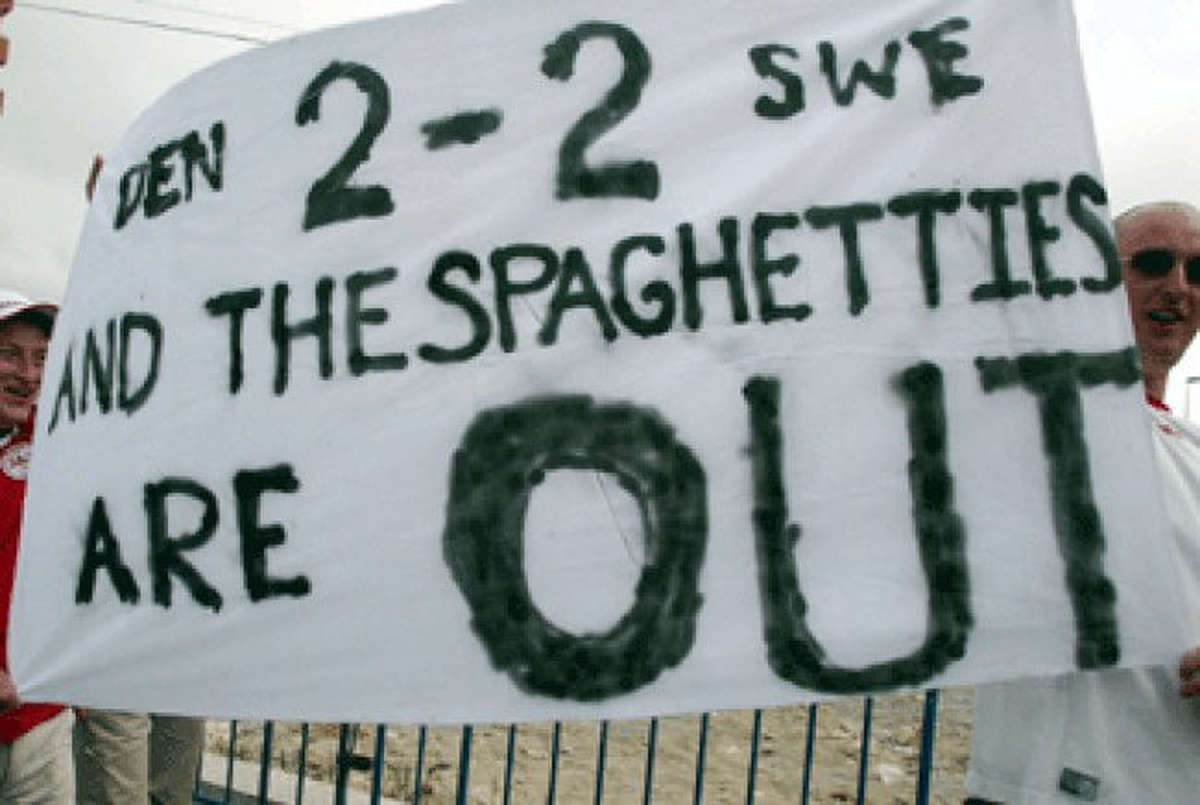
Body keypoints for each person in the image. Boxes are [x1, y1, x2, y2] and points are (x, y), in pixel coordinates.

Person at [967, 201, 1200, 803]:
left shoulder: (1191, 453)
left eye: (1198, 272)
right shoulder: (1039, 415)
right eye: (1153, 263)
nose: (1178, 286)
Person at [74, 154, 208, 805]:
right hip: (114, 611)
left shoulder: (207, 339)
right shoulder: (105, 334)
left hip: (184, 613)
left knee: (172, 789)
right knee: (119, 788)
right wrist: (108, 222)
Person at [0, 288, 73, 803]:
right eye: (9, 354)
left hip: (39, 711)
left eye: (42, 358)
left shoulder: (58, 438)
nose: (28, 374)